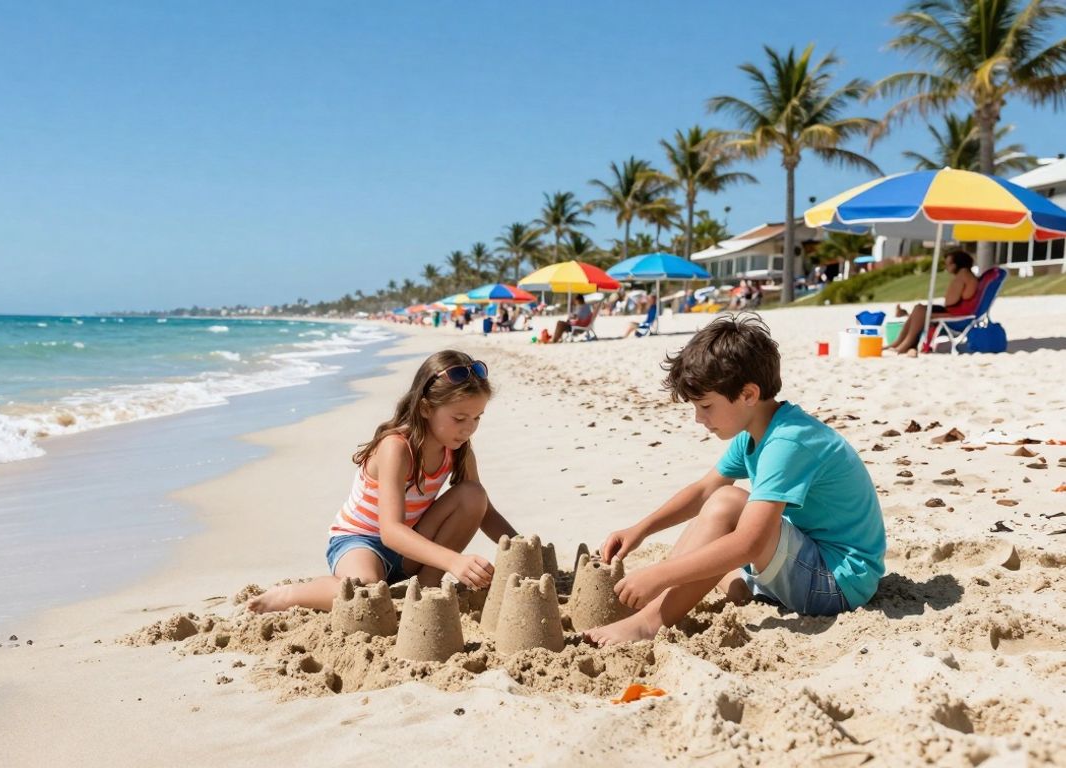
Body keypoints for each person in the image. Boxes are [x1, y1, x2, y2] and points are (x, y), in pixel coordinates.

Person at [582, 314, 886, 646]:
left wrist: (659, 574)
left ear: (748, 394)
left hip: (837, 583)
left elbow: (749, 543)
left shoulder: (788, 442)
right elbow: (702, 492)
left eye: (706, 406)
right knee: (711, 525)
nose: (699, 418)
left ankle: (648, 623)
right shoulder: (756, 430)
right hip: (811, 562)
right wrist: (640, 530)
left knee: (727, 507)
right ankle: (730, 591)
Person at [248, 350, 518, 613]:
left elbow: (485, 512)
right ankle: (289, 595)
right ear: (425, 408)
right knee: (364, 592)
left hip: (411, 547)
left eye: (476, 418)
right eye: (459, 418)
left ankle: (428, 583)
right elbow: (389, 531)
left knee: (473, 495)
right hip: (361, 543)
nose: (469, 428)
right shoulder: (396, 447)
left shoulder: (458, 449)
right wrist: (454, 562)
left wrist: (523, 549)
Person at [887, 249, 978, 355]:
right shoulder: (966, 275)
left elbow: (950, 302)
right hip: (957, 311)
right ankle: (900, 343)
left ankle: (905, 345)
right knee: (919, 308)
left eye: (948, 264)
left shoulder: (962, 276)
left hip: (958, 314)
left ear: (956, 264)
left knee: (921, 311)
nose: (946, 267)